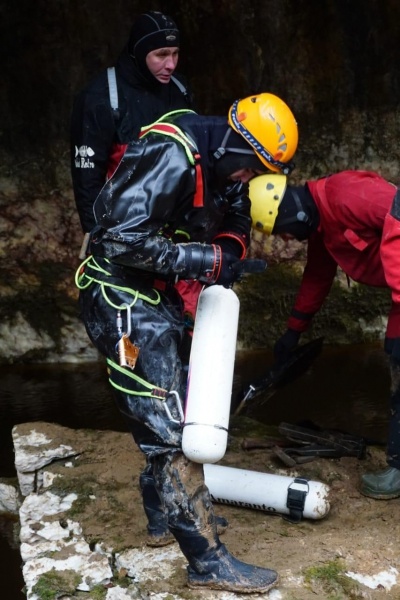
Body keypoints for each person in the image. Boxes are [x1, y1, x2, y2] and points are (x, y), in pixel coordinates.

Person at [75, 93, 298, 592]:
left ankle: (161, 517)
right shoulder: (171, 153)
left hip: (157, 296)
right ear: (236, 144)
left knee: (171, 405)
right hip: (121, 298)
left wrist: (228, 251)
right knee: (174, 434)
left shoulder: (223, 159)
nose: (248, 180)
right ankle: (206, 563)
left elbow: (236, 212)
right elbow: (118, 239)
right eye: (251, 169)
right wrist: (204, 262)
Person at [248, 169, 400, 500]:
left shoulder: (348, 196)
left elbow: (398, 215)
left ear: (290, 212)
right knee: (395, 357)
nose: (287, 240)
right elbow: (317, 276)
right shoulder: (323, 224)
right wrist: (293, 333)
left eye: (283, 232)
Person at [71, 10, 193, 235]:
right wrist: (98, 237)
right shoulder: (100, 98)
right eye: (162, 54)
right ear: (139, 51)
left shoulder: (179, 89)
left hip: (175, 225)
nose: (171, 64)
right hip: (123, 226)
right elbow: (87, 180)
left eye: (175, 54)